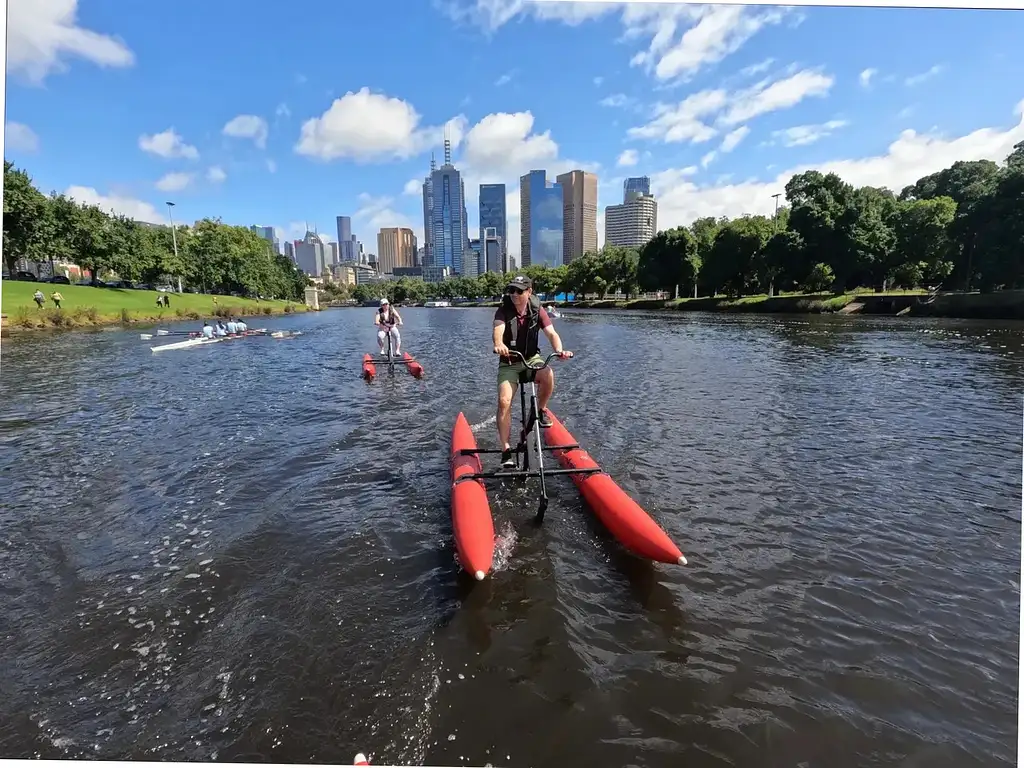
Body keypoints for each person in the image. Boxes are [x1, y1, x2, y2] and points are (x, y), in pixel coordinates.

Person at [492, 275, 572, 467]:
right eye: (511, 290)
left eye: (519, 291)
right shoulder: (503, 311)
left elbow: (552, 333)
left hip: (530, 358)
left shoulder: (537, 310)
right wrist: (499, 344)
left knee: (548, 374)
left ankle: (541, 410)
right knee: (504, 401)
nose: (514, 295)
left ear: (529, 292)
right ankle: (506, 451)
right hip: (510, 362)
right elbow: (498, 331)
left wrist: (559, 350)